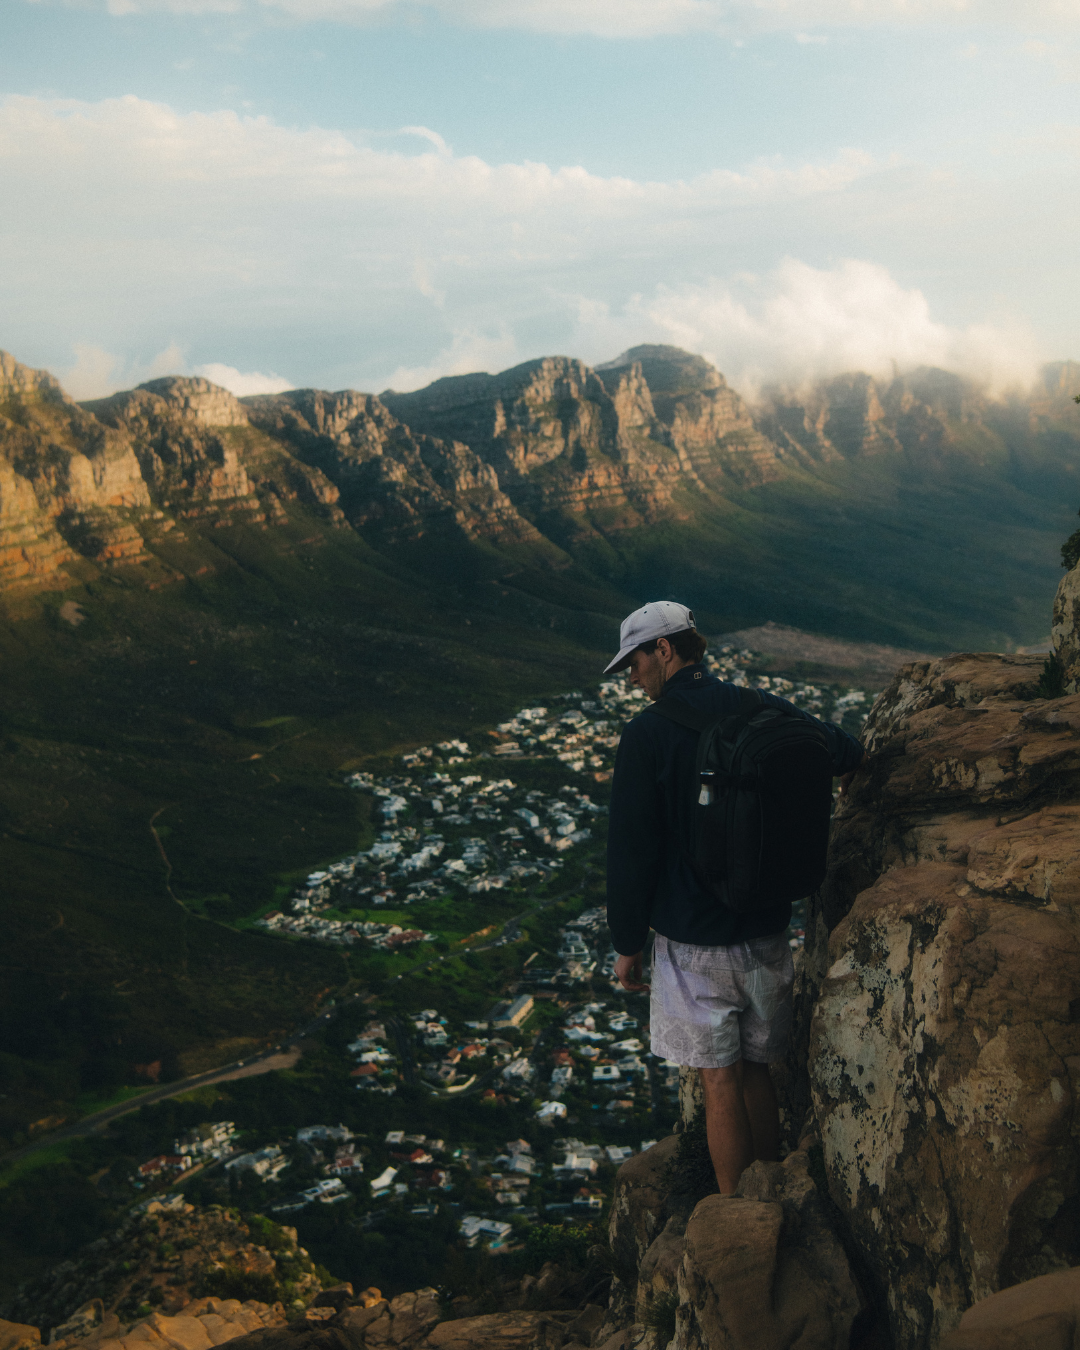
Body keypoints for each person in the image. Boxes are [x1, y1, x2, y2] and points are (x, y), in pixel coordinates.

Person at [604, 601, 865, 1194]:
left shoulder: (647, 734)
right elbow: (842, 748)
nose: (632, 676)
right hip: (767, 931)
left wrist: (626, 943)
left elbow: (631, 851)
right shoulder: (758, 706)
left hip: (694, 942)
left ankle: (736, 1215)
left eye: (635, 662)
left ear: (665, 649)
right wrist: (853, 769)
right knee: (755, 1072)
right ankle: (772, 1191)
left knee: (716, 1081)